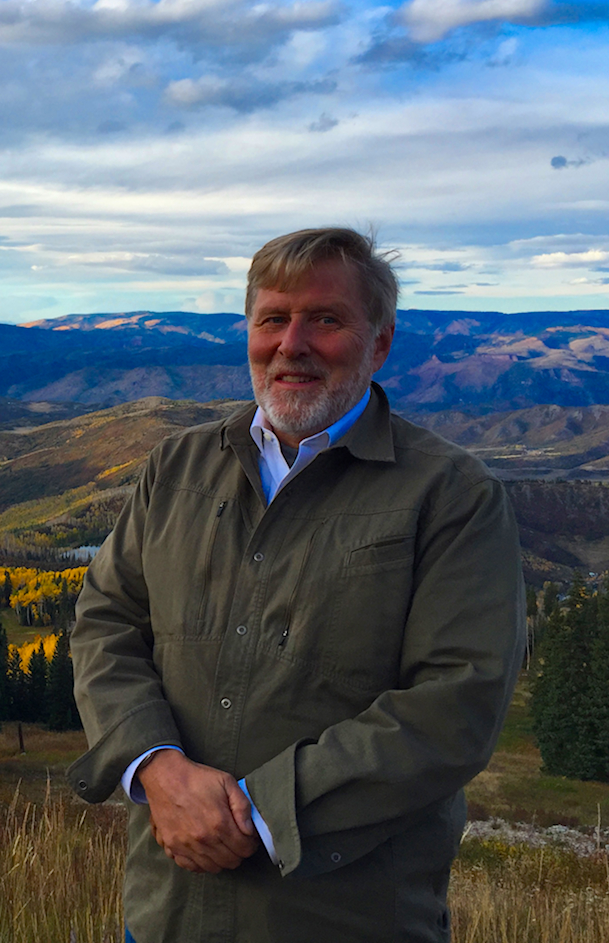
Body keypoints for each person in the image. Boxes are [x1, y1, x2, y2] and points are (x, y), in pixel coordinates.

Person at [67, 227, 524, 942]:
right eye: (273, 319)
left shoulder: (452, 495)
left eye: (327, 320)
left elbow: (456, 703)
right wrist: (155, 768)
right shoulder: (176, 469)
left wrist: (258, 812)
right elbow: (106, 621)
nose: (292, 343)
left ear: (379, 343)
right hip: (165, 915)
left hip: (346, 923)